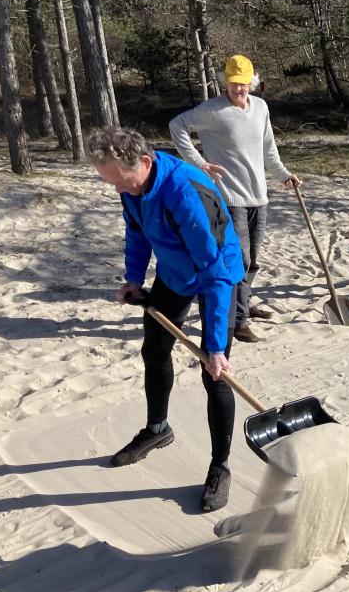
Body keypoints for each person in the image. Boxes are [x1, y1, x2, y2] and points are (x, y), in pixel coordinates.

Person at [92, 127, 245, 513]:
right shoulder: (132, 186)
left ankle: (221, 466)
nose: (117, 190)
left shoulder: (185, 192)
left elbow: (213, 271)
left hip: (217, 275)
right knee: (155, 351)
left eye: (119, 180)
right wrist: (134, 278)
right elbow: (137, 231)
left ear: (144, 162)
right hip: (175, 273)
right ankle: (158, 429)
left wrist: (214, 347)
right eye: (110, 182)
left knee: (215, 374)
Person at [170, 54, 301, 344]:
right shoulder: (212, 110)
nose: (237, 88)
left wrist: (283, 174)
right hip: (229, 197)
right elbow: (177, 126)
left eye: (242, 83)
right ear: (224, 82)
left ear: (251, 82)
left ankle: (241, 303)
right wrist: (199, 163)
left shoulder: (261, 107)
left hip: (259, 195)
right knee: (239, 259)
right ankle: (239, 321)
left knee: (252, 261)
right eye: (232, 83)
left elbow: (269, 148)